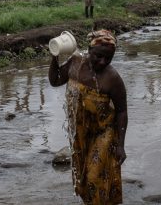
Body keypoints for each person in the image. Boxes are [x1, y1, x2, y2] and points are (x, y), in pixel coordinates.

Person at [48, 29, 128, 205]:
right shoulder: (75, 63)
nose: (103, 61)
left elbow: (122, 111)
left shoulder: (112, 78)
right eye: (99, 56)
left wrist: (121, 145)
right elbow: (55, 80)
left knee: (95, 177)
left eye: (109, 58)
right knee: (83, 178)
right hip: (80, 132)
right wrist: (55, 55)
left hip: (104, 133)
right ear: (89, 50)